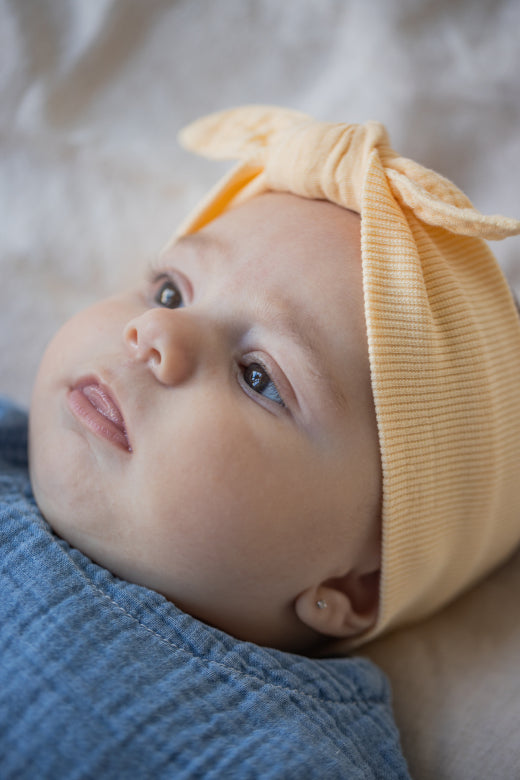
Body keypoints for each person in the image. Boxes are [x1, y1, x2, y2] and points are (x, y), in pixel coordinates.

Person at [2, 105, 520, 777]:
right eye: (168, 291)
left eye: (258, 377)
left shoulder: (281, 748)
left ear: (355, 585)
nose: (159, 334)